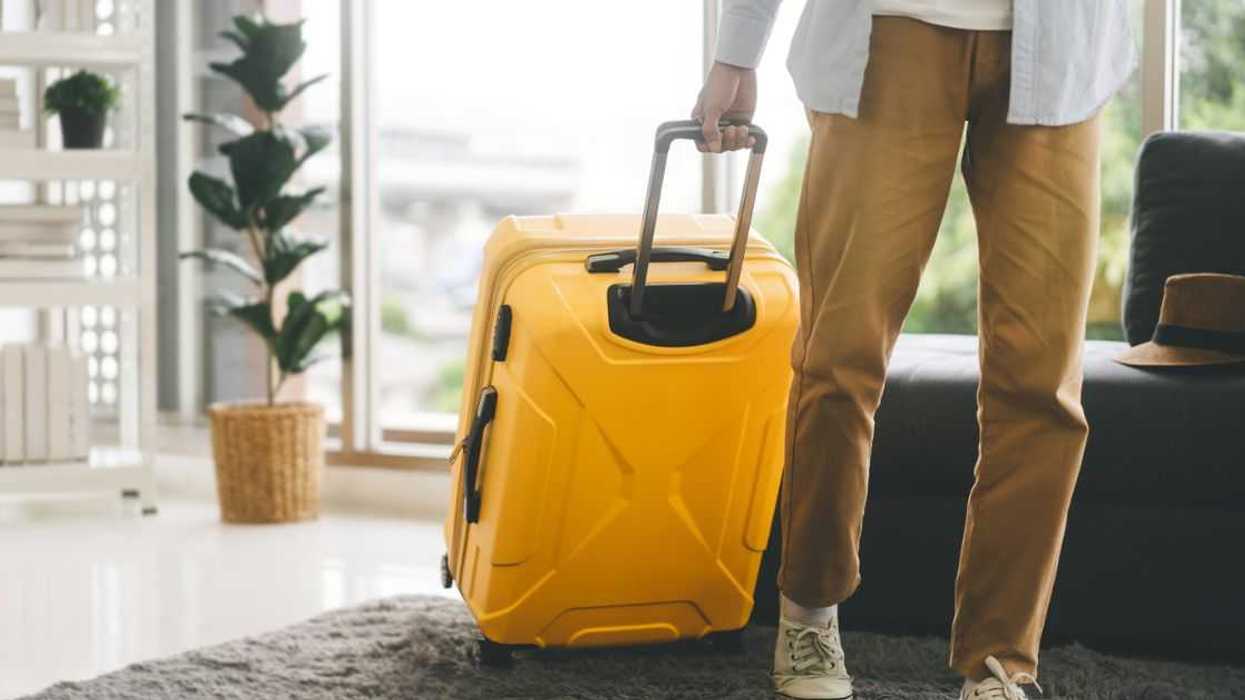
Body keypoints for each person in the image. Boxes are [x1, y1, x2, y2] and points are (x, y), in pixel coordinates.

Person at [691, 2, 1136, 698]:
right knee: (839, 357)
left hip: (1060, 47)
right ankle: (808, 609)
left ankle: (1001, 657)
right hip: (885, 31)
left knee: (1041, 387)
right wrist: (735, 52)